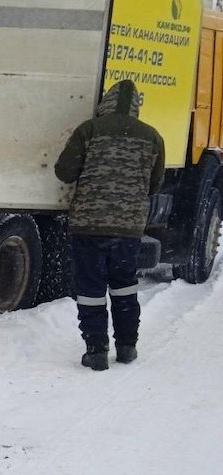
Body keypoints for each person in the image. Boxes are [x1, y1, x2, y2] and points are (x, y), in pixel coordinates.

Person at [55, 79, 165, 371]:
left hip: (88, 226)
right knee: (125, 286)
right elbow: (154, 185)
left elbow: (64, 172)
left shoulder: (88, 130)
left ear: (106, 102)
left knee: (91, 289)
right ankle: (127, 346)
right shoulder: (152, 137)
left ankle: (96, 350)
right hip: (128, 229)